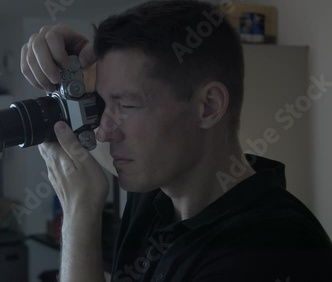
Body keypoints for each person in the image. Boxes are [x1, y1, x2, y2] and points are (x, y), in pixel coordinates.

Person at [20, 1, 332, 281]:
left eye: (127, 105)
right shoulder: (157, 192)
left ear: (207, 106)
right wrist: (69, 71)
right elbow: (91, 135)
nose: (104, 131)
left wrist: (78, 213)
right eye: (103, 105)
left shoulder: (273, 249)